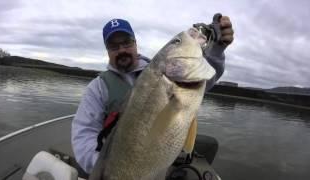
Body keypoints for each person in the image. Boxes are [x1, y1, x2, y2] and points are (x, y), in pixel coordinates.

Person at [71, 17, 234, 175]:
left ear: (135, 43)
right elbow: (84, 134)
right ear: (107, 50)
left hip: (164, 161)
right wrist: (107, 169)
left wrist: (218, 48)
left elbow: (205, 75)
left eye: (127, 42)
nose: (122, 50)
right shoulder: (97, 87)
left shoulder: (161, 73)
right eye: (114, 46)